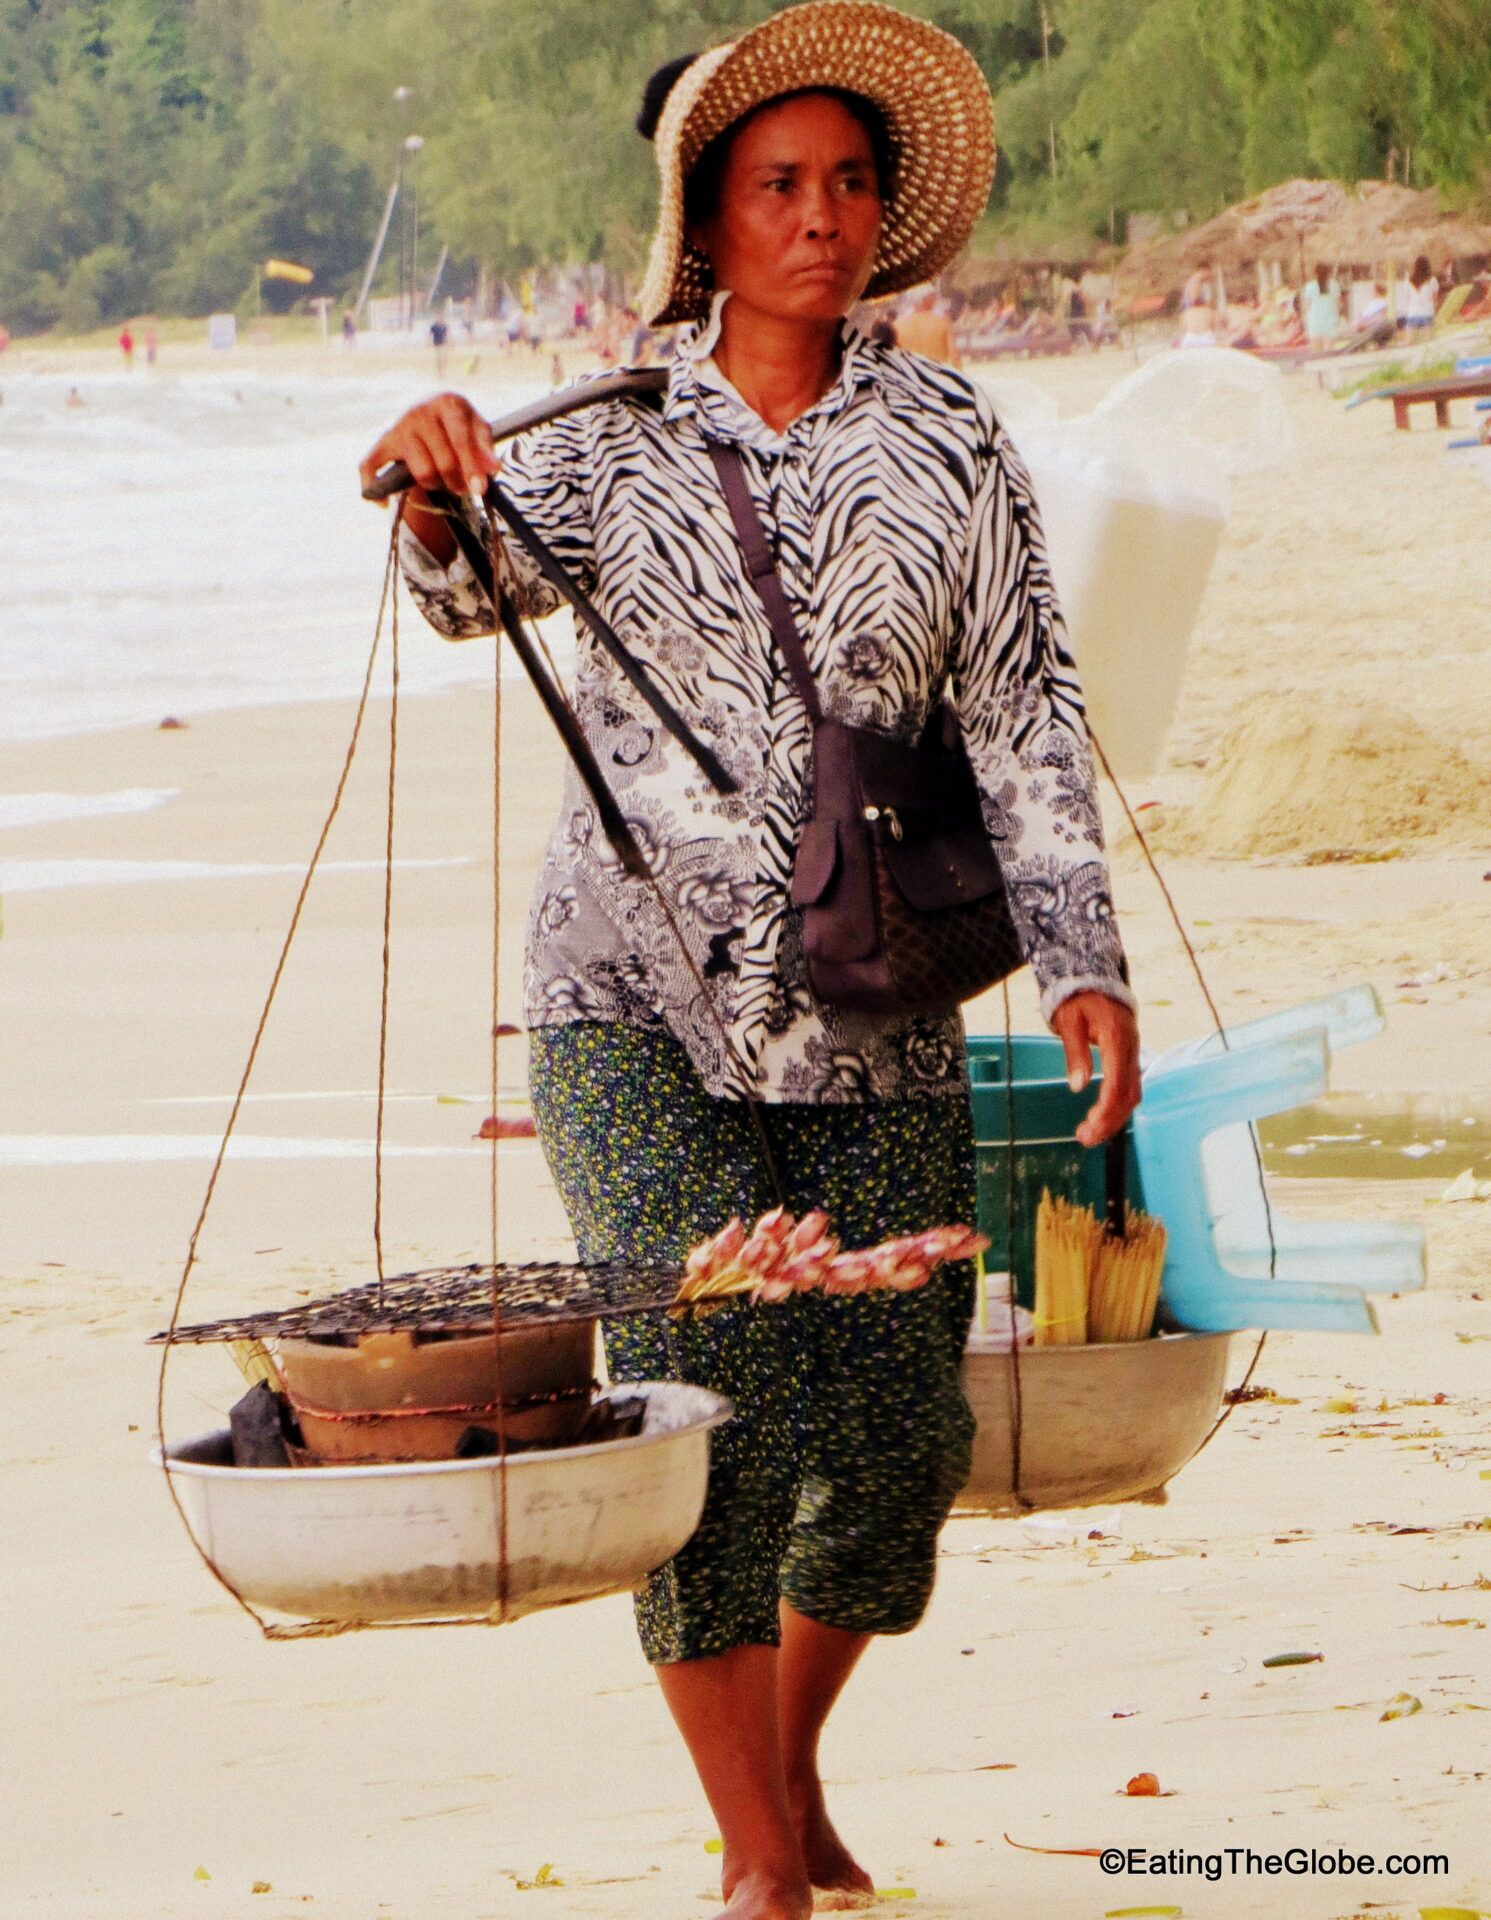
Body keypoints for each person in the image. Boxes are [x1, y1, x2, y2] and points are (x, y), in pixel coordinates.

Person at [361, 8, 1139, 1916]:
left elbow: (1028, 714)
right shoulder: (611, 432)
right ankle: (765, 1865)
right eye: (778, 185)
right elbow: (470, 590)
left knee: (889, 1443)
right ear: (703, 223)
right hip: (630, 1004)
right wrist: (432, 482)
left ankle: (770, 1780)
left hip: (878, 1011)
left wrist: (1083, 965)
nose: (822, 216)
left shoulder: (953, 440)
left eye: (851, 183)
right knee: (708, 1398)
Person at [892, 283, 960, 366]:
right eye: (932, 296)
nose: (935, 299)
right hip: (936, 374)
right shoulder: (943, 322)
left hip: (911, 375)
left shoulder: (897, 325)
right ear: (925, 299)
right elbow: (954, 355)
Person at [1301, 263, 1341, 344]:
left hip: (1314, 322)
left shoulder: (1310, 286)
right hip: (1330, 321)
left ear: (1315, 273)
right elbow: (1337, 306)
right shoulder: (1334, 286)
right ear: (1328, 273)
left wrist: (1305, 322)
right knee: (1329, 353)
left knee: (1316, 354)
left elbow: (1306, 307)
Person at [1400, 255, 1438, 331]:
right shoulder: (1432, 280)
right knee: (1429, 341)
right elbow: (1435, 300)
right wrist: (1434, 313)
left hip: (1413, 312)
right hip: (1427, 311)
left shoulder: (1409, 280)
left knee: (1410, 342)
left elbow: (1407, 298)